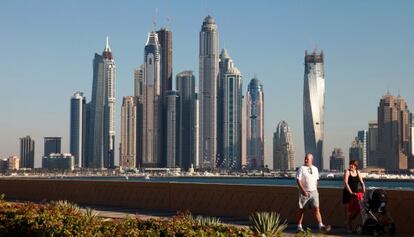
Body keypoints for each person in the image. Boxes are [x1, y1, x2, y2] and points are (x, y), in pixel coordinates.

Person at [296, 153, 331, 233]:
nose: (305, 160)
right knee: (302, 210)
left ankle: (321, 225)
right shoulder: (301, 168)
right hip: (304, 192)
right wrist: (303, 191)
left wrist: (316, 190)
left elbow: (316, 180)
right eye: (305, 158)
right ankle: (299, 226)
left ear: (311, 160)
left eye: (307, 159)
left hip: (314, 192)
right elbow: (298, 180)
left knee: (317, 208)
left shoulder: (315, 169)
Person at [343, 160, 365, 233]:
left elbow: (362, 183)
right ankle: (349, 228)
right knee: (349, 211)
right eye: (350, 164)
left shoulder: (358, 172)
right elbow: (346, 183)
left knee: (357, 209)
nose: (351, 166)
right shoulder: (347, 172)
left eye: (352, 165)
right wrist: (351, 192)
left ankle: (347, 222)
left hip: (356, 194)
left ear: (355, 166)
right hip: (348, 193)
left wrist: (364, 191)